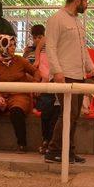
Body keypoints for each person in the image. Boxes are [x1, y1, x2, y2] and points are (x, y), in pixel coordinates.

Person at [44, 0, 94, 164]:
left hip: (78, 75)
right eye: (86, 0)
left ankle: (68, 151)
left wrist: (91, 68)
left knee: (74, 115)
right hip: (64, 75)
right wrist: (57, 71)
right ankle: (53, 150)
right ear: (77, 0)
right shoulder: (56, 19)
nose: (87, 4)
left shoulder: (77, 22)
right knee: (68, 114)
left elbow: (83, 49)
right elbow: (50, 47)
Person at [0, 34, 41, 153]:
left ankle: (22, 144)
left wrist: (36, 84)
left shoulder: (20, 60)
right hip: (1, 95)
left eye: (14, 45)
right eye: (10, 45)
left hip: (19, 95)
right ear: (1, 47)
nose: (13, 47)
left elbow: (36, 72)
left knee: (16, 112)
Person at [28, 24, 60, 154]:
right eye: (35, 37)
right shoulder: (40, 47)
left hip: (55, 84)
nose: (38, 40)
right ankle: (46, 140)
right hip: (45, 84)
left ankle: (52, 142)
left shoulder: (58, 43)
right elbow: (38, 55)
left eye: (39, 36)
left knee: (55, 115)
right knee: (46, 114)